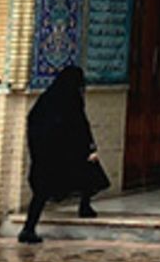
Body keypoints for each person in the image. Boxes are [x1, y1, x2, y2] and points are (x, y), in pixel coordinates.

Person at [19, 64, 104, 244]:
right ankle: (84, 206)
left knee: (42, 191)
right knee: (88, 169)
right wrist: (89, 148)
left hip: (45, 154)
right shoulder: (72, 99)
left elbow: (33, 123)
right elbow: (80, 126)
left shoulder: (46, 99)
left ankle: (29, 227)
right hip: (62, 152)